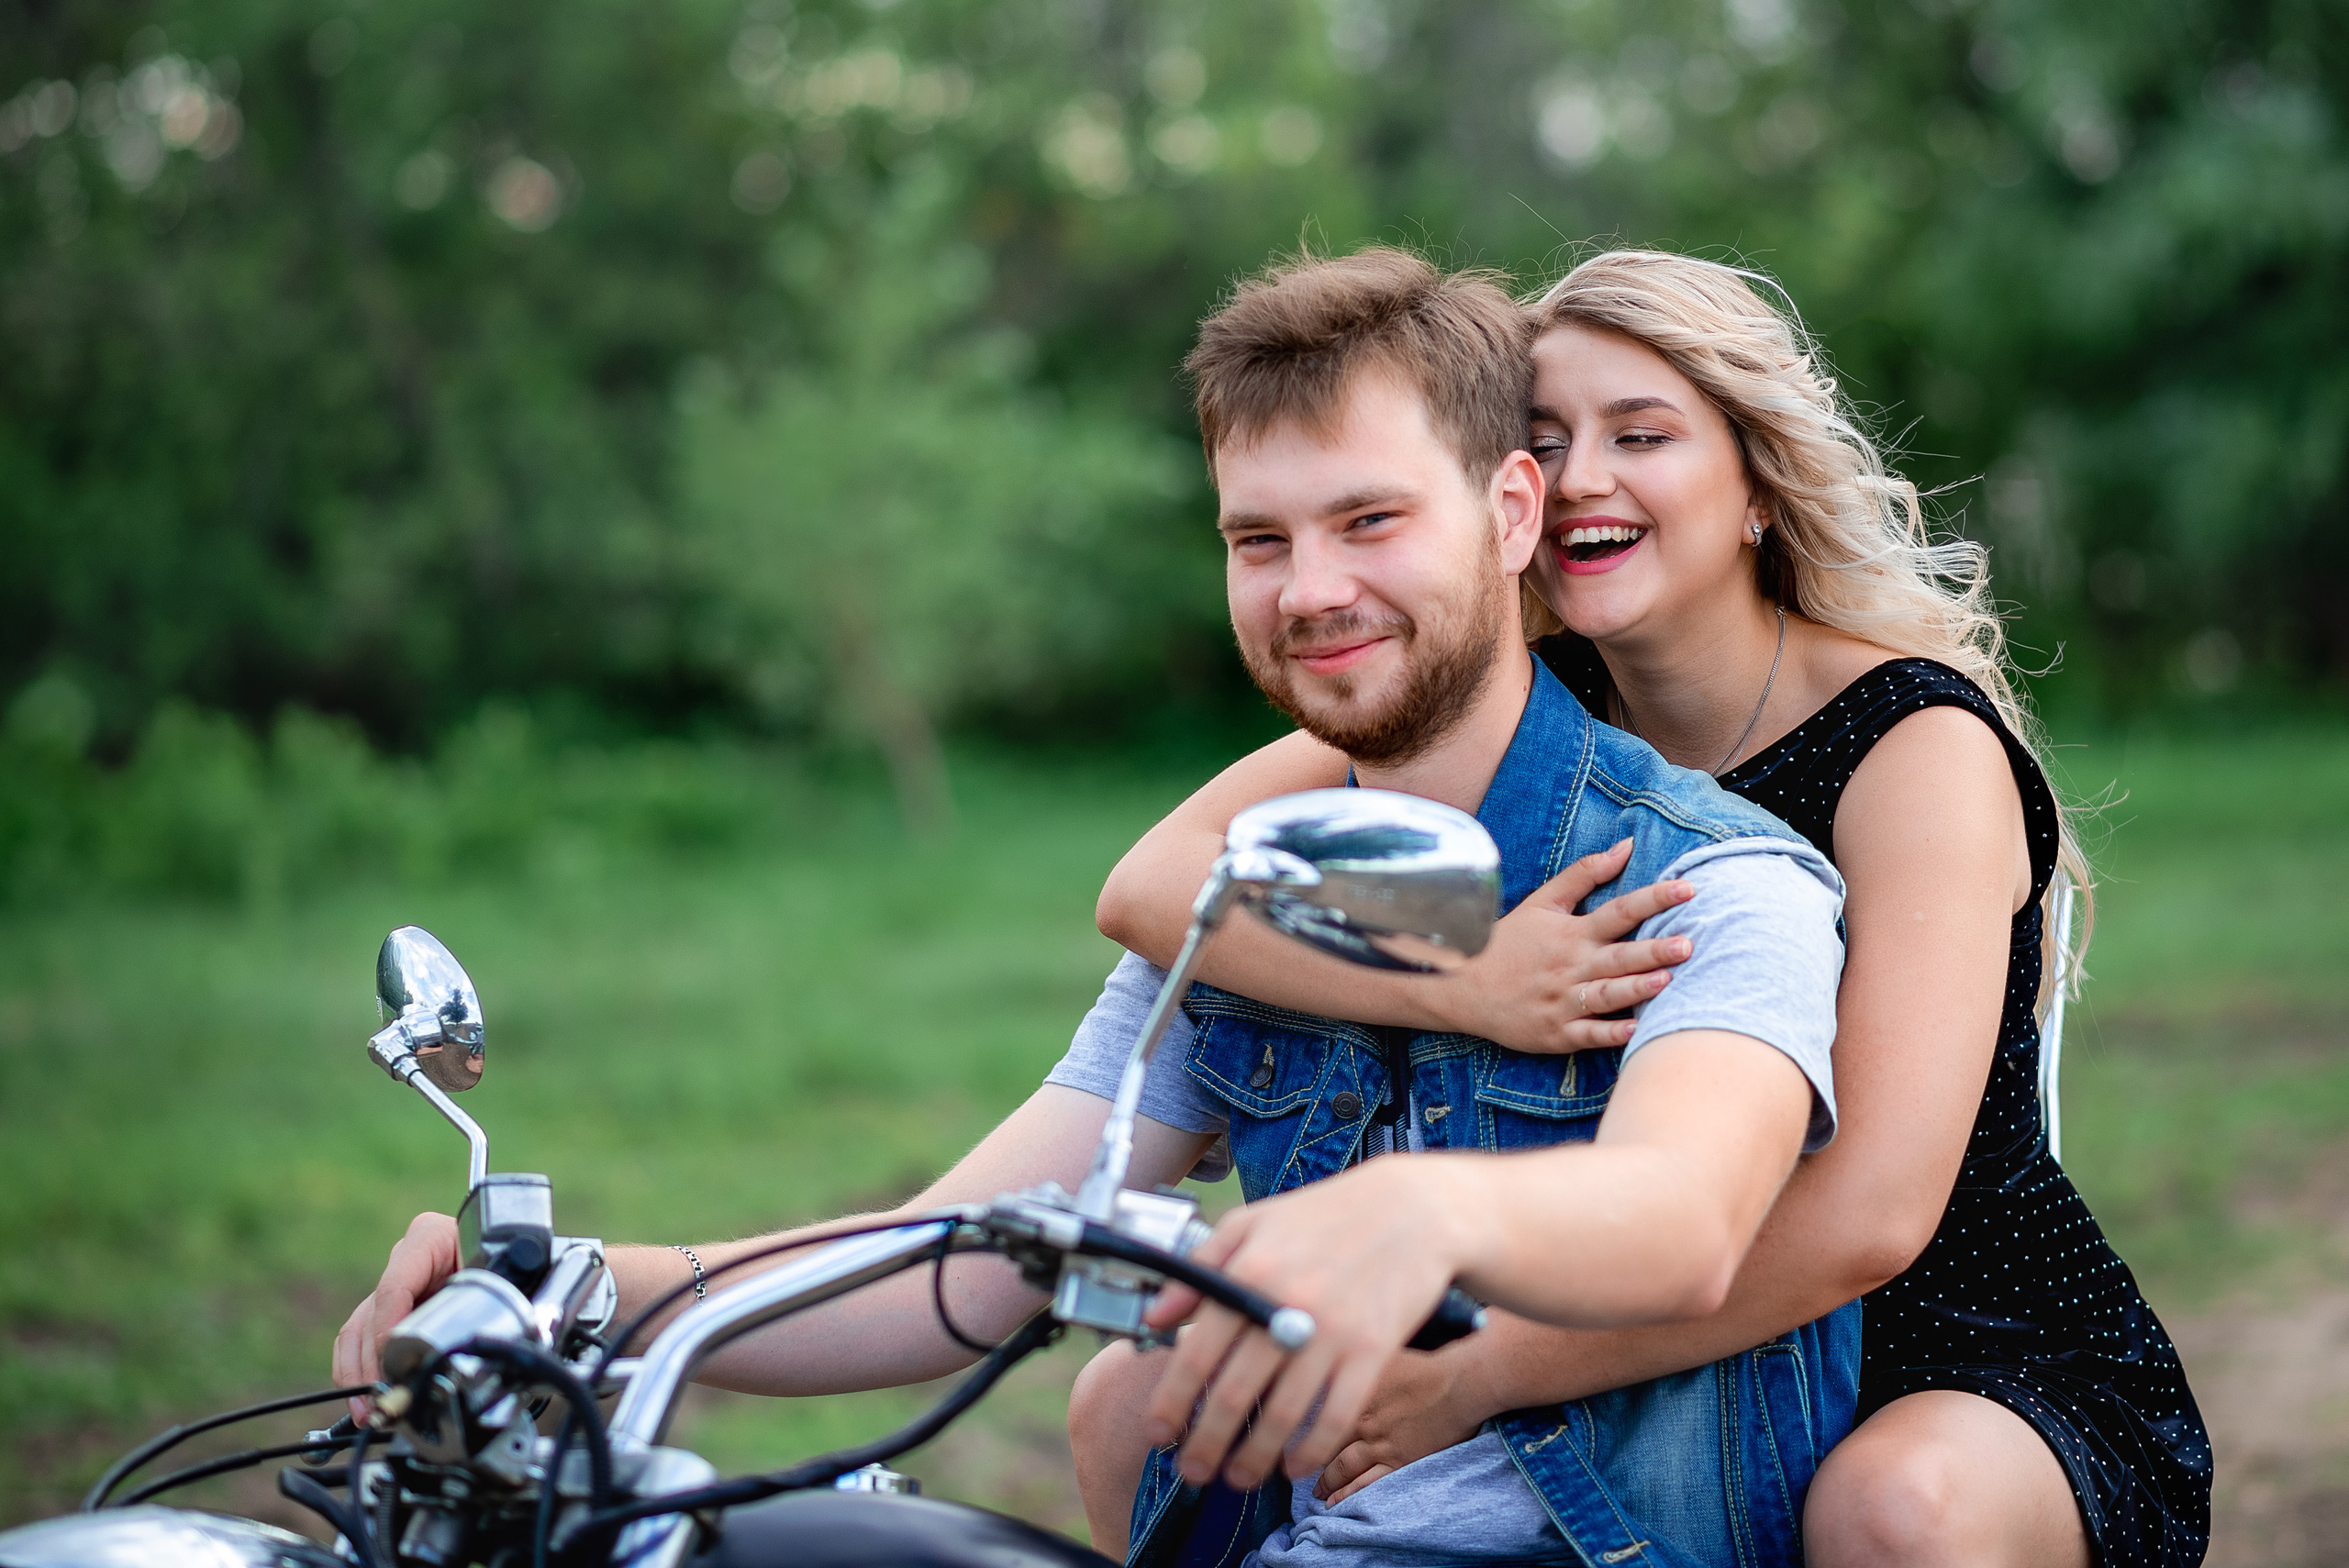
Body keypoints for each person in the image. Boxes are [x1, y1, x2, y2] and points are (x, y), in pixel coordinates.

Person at [332, 248, 1854, 1568]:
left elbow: (1689, 1217)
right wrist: (574, 1288)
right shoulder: (1256, 903)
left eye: (1370, 520)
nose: (1310, 588)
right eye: (1260, 539)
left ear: (1514, 511)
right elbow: (970, 1250)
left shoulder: (1712, 881)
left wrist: (1422, 1208)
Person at [1084, 250, 2212, 1568]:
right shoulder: (1528, 705)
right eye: (1545, 441)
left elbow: (1870, 1219)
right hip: (1673, 1323)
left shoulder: (1912, 747)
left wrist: (1484, 1372)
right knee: (1131, 1397)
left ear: (1753, 484)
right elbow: (1154, 884)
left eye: (1642, 434)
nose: (1581, 481)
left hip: (1949, 1335)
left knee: (1890, 1509)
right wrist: (1461, 975)